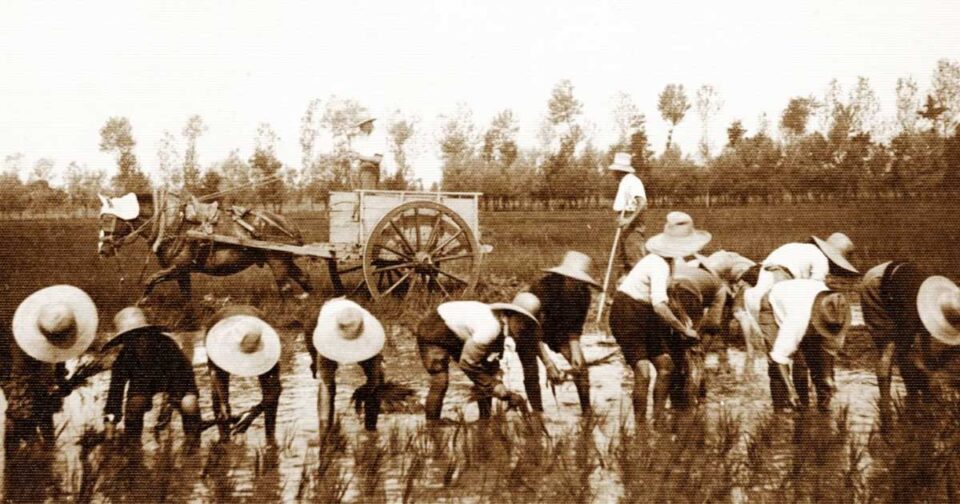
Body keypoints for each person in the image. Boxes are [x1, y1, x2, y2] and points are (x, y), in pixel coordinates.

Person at [608, 211, 711, 426]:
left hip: (646, 313)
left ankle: (658, 416)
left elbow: (669, 294)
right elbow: (660, 306)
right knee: (643, 371)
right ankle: (640, 425)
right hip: (627, 312)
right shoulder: (658, 264)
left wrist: (684, 319)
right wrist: (684, 331)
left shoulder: (669, 261)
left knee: (666, 366)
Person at [417, 293, 547, 423]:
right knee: (440, 380)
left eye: (527, 324)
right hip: (434, 329)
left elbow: (488, 365)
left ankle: (485, 419)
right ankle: (432, 424)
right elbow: (467, 363)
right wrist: (499, 390)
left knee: (486, 371)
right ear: (510, 315)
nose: (523, 327)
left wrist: (496, 382)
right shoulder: (490, 328)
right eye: (520, 322)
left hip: (458, 333)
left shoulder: (502, 326)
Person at [860, 261, 960, 427]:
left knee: (915, 346)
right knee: (889, 347)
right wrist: (925, 370)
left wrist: (927, 364)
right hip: (876, 284)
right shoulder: (913, 315)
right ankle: (885, 408)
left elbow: (925, 335)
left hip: (902, 285)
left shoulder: (942, 301)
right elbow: (904, 348)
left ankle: (912, 393)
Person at [5, 285, 97, 452]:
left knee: (47, 441)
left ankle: (46, 460)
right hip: (22, 397)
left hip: (39, 395)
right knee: (24, 447)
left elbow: (57, 370)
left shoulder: (55, 339)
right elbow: (19, 397)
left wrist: (62, 384)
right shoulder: (21, 348)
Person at [741, 234, 859, 356]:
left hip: (756, 285)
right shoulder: (821, 260)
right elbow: (814, 291)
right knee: (793, 337)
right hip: (778, 283)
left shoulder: (794, 246)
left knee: (773, 342)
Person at [103, 307, 201, 449]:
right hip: (143, 385)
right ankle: (133, 446)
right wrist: (110, 423)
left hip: (176, 381)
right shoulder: (124, 357)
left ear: (149, 332)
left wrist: (171, 403)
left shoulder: (167, 346)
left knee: (189, 404)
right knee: (135, 405)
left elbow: (185, 375)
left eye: (141, 334)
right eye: (131, 337)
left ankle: (193, 444)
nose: (138, 340)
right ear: (125, 340)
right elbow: (115, 393)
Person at [517, 251, 601, 415]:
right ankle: (537, 413)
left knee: (581, 368)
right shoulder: (542, 289)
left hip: (557, 329)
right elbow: (534, 331)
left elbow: (575, 328)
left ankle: (587, 411)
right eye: (572, 280)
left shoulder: (584, 294)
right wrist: (549, 364)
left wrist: (575, 353)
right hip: (528, 326)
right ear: (563, 277)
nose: (576, 284)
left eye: (580, 282)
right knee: (531, 369)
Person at [758, 279, 850, 413]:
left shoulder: (837, 315)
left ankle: (816, 409)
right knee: (776, 365)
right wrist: (790, 391)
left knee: (813, 361)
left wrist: (828, 380)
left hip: (804, 297)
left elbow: (828, 354)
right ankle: (778, 414)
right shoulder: (797, 320)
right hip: (774, 301)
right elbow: (778, 357)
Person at [205, 305, 282, 445]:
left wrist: (252, 414)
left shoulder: (267, 342)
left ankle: (270, 438)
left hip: (257, 320)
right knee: (219, 394)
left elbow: (275, 391)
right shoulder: (218, 340)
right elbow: (215, 375)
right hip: (221, 324)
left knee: (270, 386)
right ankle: (224, 438)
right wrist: (223, 403)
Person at [309, 297, 386, 433]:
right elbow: (325, 382)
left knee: (377, 378)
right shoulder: (321, 329)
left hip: (359, 331)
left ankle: (371, 428)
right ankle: (325, 432)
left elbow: (375, 377)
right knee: (326, 382)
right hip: (324, 329)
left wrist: (367, 389)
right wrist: (314, 362)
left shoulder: (368, 330)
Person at [608, 152, 648, 271]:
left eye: (614, 170)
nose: (612, 173)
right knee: (623, 261)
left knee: (636, 261)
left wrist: (628, 220)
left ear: (619, 171)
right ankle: (623, 287)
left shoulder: (632, 181)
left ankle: (641, 287)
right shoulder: (624, 182)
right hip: (625, 224)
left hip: (632, 225)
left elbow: (642, 203)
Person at [349, 115, 385, 190]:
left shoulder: (378, 136)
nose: (360, 128)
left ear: (368, 124)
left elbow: (378, 159)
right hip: (362, 168)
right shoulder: (366, 137)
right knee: (360, 195)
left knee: (367, 195)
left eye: (362, 125)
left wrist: (358, 156)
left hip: (370, 169)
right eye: (360, 126)